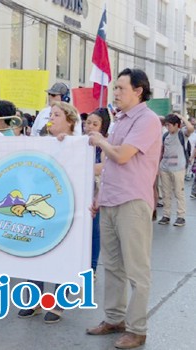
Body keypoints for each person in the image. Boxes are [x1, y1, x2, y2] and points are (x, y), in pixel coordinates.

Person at [86, 68, 162, 349]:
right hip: (110, 200)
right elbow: (109, 166)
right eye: (115, 88)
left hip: (132, 201)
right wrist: (99, 195)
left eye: (120, 88)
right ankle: (115, 319)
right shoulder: (119, 121)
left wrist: (100, 140)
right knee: (113, 267)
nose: (115, 93)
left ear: (138, 90)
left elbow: (122, 155)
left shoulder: (148, 120)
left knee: (137, 270)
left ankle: (137, 328)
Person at [17, 101, 79, 324]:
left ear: (70, 121)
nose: (51, 118)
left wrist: (67, 145)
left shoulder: (79, 144)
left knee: (62, 255)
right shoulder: (43, 143)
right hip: (39, 204)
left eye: (57, 114)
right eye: (50, 114)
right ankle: (33, 301)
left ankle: (58, 304)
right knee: (36, 252)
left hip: (65, 207)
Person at [84, 108, 111, 276]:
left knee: (94, 231)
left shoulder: (105, 143)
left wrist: (83, 168)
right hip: (79, 190)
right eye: (88, 123)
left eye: (95, 124)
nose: (90, 127)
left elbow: (105, 167)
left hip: (97, 192)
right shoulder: (79, 141)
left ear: (103, 126)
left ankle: (92, 267)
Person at [157, 113, 194, 227]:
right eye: (166, 125)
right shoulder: (165, 135)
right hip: (165, 167)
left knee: (179, 193)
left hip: (178, 168)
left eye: (170, 125)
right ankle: (166, 215)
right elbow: (162, 151)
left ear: (177, 125)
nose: (168, 127)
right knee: (166, 193)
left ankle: (180, 216)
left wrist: (181, 117)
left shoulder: (182, 134)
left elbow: (190, 128)